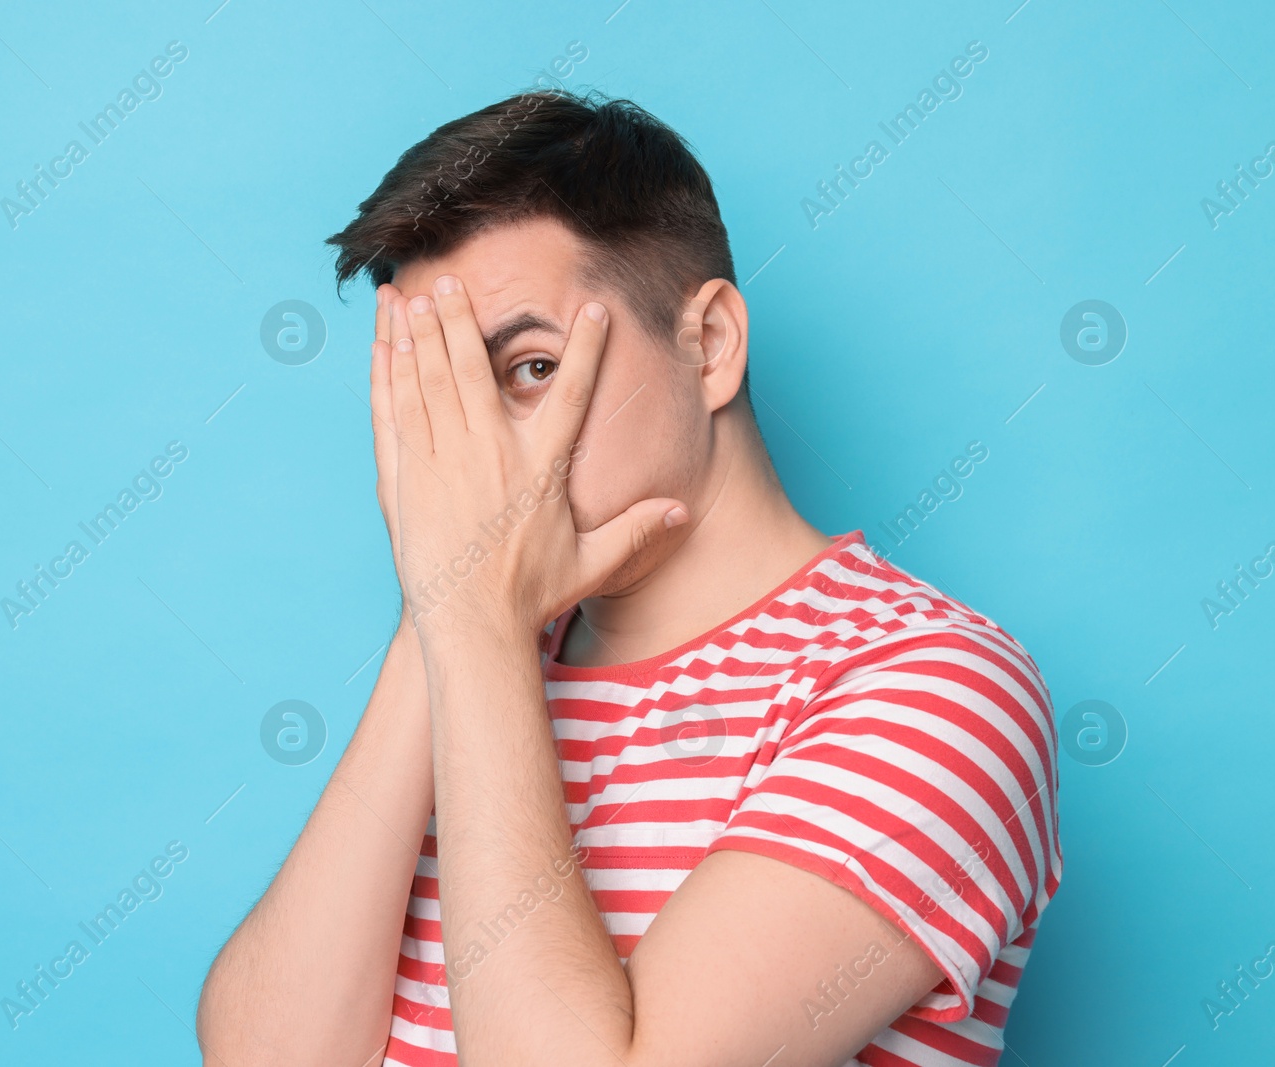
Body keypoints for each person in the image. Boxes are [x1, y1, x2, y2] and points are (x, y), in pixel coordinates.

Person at [196, 87, 1059, 1067]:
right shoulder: (484, 644)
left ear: (710, 345)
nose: (474, 453)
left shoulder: (936, 690)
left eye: (526, 367)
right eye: (442, 394)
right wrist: (444, 604)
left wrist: (474, 617)